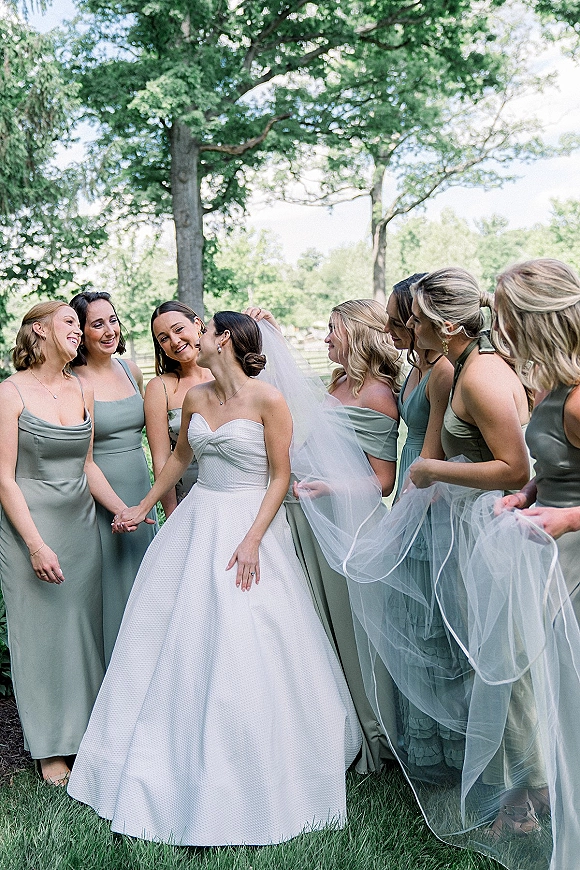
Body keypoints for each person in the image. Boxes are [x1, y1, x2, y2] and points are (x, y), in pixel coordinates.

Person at [67, 311, 361, 846]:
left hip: (250, 522)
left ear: (221, 340)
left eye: (199, 333)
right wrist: (143, 507)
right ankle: (157, 757)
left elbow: (279, 476)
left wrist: (251, 540)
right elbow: (178, 461)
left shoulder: (269, 400)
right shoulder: (195, 400)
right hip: (198, 519)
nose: (187, 342)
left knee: (245, 634)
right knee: (172, 634)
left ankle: (255, 762)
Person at [246, 300, 400, 773]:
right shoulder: (337, 383)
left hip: (352, 525)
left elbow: (383, 482)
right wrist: (271, 339)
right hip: (317, 522)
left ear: (355, 334)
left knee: (358, 631)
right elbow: (297, 405)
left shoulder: (377, 393)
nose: (328, 339)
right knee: (328, 627)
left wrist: (330, 486)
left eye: (333, 331)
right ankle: (345, 724)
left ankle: (381, 737)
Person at [0, 302, 129, 787]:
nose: (80, 331)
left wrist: (120, 508)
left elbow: (88, 464)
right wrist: (34, 545)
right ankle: (51, 747)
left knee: (80, 633)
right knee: (40, 637)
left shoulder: (82, 389)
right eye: (70, 323)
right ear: (39, 330)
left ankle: (86, 737)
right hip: (28, 527)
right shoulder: (9, 393)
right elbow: (4, 480)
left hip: (79, 526)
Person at [385, 276, 459, 779]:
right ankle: (423, 745)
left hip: (430, 499)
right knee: (414, 618)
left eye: (402, 317)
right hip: (410, 490)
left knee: (436, 624)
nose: (397, 326)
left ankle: (455, 750)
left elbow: (432, 452)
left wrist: (404, 513)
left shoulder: (442, 373)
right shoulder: (414, 367)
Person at [69, 291, 156, 665]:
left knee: (151, 585)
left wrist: (145, 504)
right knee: (115, 589)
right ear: (81, 333)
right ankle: (120, 681)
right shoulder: (73, 380)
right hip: (104, 497)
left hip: (141, 488)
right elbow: (84, 461)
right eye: (97, 324)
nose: (109, 331)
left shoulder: (131, 369)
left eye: (113, 320)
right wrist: (122, 510)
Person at [386, 274, 453, 499]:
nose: (387, 329)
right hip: (410, 466)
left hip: (426, 485)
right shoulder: (418, 364)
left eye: (395, 322)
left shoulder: (442, 371)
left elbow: (432, 454)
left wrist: (405, 503)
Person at [145, 301, 213, 518]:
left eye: (178, 329)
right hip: (188, 503)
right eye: (163, 338)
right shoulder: (160, 387)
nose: (174, 341)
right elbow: (161, 460)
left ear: (198, 324)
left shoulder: (228, 375)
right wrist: (172, 515)